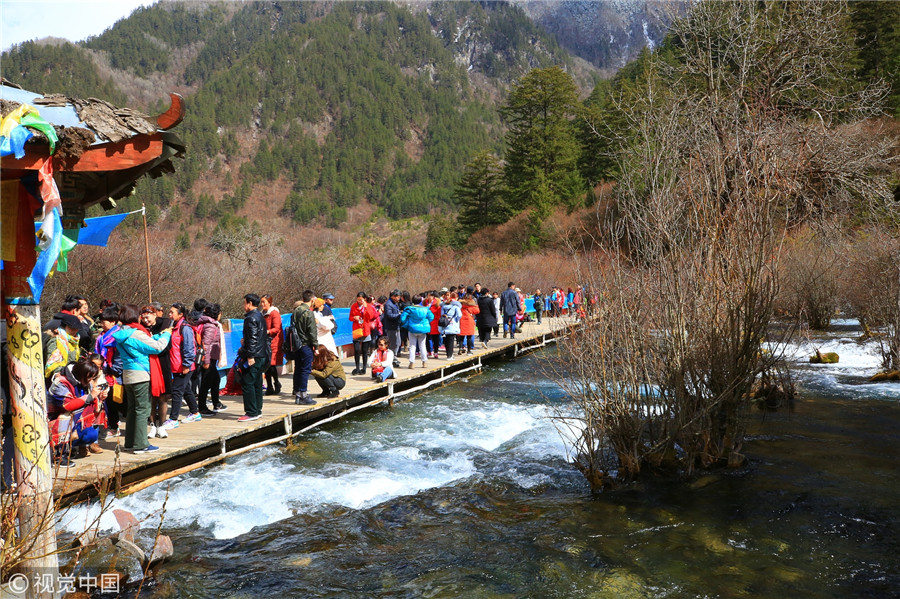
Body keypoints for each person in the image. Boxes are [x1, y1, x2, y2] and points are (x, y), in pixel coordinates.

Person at [111, 304, 171, 452]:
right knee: (142, 409)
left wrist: (159, 334)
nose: (141, 317)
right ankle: (141, 444)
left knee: (132, 409)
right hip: (140, 375)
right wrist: (167, 334)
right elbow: (157, 347)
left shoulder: (122, 332)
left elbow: (145, 342)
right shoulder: (135, 333)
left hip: (128, 374)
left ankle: (130, 443)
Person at [47, 356, 107, 463]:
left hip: (74, 419)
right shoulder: (61, 382)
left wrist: (99, 397)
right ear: (81, 374)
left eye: (93, 378)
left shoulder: (84, 382)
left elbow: (91, 405)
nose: (90, 381)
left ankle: (68, 449)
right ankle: (59, 455)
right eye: (89, 378)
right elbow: (67, 405)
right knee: (65, 419)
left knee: (91, 434)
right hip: (54, 419)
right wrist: (90, 397)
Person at [164, 303, 201, 428]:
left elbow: (189, 347)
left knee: (176, 391)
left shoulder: (185, 327)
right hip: (176, 364)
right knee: (185, 389)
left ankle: (173, 419)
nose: (169, 314)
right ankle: (195, 412)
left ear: (180, 314)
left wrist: (186, 364)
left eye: (172, 312)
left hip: (183, 365)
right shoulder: (173, 326)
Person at [141, 305, 172, 439]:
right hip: (149, 365)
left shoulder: (164, 324)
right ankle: (153, 425)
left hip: (163, 363)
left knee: (163, 397)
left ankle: (162, 425)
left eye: (148, 317)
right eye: (143, 318)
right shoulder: (141, 329)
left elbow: (165, 346)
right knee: (152, 397)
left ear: (154, 315)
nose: (146, 320)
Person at [238, 294, 270, 422]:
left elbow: (253, 338)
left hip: (254, 355)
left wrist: (250, 355)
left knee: (247, 383)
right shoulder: (260, 316)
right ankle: (257, 409)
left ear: (250, 303)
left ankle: (251, 412)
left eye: (245, 303)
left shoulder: (250, 318)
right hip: (261, 354)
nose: (244, 306)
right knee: (257, 382)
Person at [94, 307, 124, 440]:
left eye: (104, 321)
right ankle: (112, 425)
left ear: (113, 322)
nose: (102, 324)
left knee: (114, 400)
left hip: (114, 372)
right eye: (101, 322)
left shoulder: (118, 334)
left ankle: (114, 426)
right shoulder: (100, 336)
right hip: (102, 371)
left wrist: (114, 369)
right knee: (107, 400)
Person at [291, 290, 319, 405]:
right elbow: (312, 331)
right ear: (312, 300)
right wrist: (316, 346)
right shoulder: (308, 312)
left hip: (296, 344)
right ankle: (303, 395)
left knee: (298, 368)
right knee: (305, 370)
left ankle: (297, 392)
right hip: (305, 344)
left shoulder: (296, 311)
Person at [197, 303, 226, 414]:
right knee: (206, 382)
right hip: (208, 359)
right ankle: (203, 407)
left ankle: (216, 403)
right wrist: (207, 361)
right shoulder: (210, 326)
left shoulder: (209, 323)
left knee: (214, 380)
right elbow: (206, 344)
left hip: (211, 358)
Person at [260, 294, 284, 396]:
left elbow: (277, 328)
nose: (262, 304)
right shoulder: (262, 313)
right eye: (261, 302)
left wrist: (267, 331)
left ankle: (276, 383)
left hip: (274, 341)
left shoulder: (274, 313)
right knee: (267, 365)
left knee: (271, 364)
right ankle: (270, 386)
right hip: (265, 341)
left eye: (263, 302)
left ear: (269, 302)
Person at [400, 294, 433, 368]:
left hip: (412, 329)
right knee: (422, 346)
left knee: (412, 346)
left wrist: (407, 323)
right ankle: (424, 362)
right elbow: (431, 317)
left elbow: (402, 318)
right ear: (421, 300)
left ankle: (412, 363)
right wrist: (426, 322)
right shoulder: (426, 309)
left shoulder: (409, 309)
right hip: (423, 330)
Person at [349, 291, 377, 375]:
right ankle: (357, 367)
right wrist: (354, 317)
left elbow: (371, 316)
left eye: (361, 300)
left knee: (365, 350)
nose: (359, 301)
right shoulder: (354, 306)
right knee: (357, 350)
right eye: (358, 300)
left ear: (364, 299)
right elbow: (350, 317)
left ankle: (364, 368)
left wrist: (366, 307)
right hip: (357, 330)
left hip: (365, 330)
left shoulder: (369, 306)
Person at [382, 289, 403, 365]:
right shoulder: (388, 304)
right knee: (392, 343)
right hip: (391, 327)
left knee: (398, 342)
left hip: (396, 326)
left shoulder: (395, 303)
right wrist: (399, 315)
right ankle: (391, 358)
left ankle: (394, 356)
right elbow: (389, 315)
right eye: (397, 297)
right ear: (393, 296)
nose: (399, 298)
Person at [439, 292, 462, 359]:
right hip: (452, 325)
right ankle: (450, 355)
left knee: (446, 341)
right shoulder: (456, 307)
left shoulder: (443, 306)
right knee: (451, 341)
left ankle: (448, 354)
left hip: (445, 325)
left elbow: (442, 314)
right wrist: (456, 320)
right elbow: (459, 315)